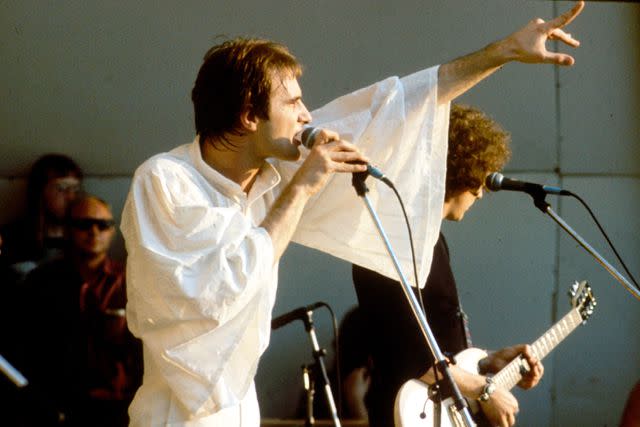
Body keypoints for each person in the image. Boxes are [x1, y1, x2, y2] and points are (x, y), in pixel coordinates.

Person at [120, 3, 584, 425]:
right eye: (292, 102)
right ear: (247, 115)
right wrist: (302, 188)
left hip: (242, 409)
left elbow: (398, 105)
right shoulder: (165, 181)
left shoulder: (271, 176)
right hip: (174, 416)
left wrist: (502, 52)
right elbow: (223, 288)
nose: (307, 114)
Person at [352, 104, 544, 427]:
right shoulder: (394, 237)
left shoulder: (431, 239)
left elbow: (435, 343)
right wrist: (484, 391)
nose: (481, 194)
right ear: (458, 172)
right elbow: (409, 352)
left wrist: (489, 362)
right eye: (477, 183)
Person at [11, 195, 142, 426]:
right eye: (84, 224)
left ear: (113, 231)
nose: (94, 231)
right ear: (67, 230)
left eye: (103, 225)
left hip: (118, 408)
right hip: (55, 407)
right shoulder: (41, 282)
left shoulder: (130, 282)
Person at [0, 153, 83, 285]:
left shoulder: (86, 238)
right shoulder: (10, 237)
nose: (71, 197)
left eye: (75, 189)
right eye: (61, 188)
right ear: (40, 192)